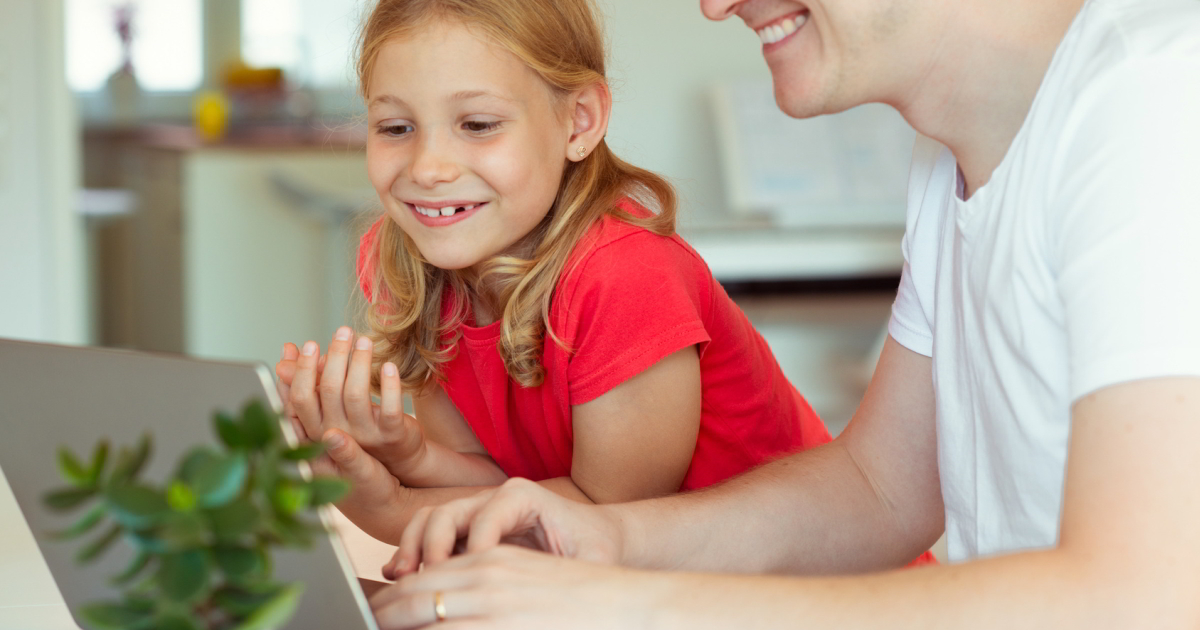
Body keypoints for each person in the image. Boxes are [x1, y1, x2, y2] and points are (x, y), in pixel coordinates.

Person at [353, 0, 1200, 627]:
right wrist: (606, 542)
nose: (716, 5)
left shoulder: (1152, 106)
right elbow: (880, 491)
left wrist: (628, 601)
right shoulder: (952, 156)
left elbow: (1146, 592)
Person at [273, 0, 914, 568]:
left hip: (817, 593)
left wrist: (390, 510)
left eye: (478, 124)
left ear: (579, 121)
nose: (428, 168)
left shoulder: (625, 275)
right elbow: (502, 480)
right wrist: (406, 456)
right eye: (395, 128)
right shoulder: (408, 258)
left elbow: (599, 521)